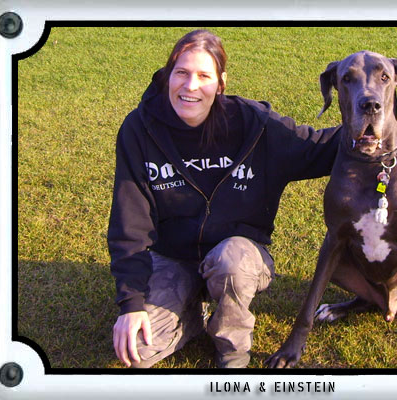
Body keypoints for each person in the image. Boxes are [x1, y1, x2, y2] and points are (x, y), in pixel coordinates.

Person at [108, 29, 341, 369]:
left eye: (204, 76)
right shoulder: (139, 129)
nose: (190, 86)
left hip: (238, 256)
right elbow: (129, 221)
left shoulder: (254, 124)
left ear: (221, 83)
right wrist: (131, 304)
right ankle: (191, 315)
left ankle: (232, 349)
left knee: (232, 261)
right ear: (168, 75)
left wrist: (390, 136)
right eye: (181, 73)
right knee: (140, 351)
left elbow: (317, 147)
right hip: (172, 257)